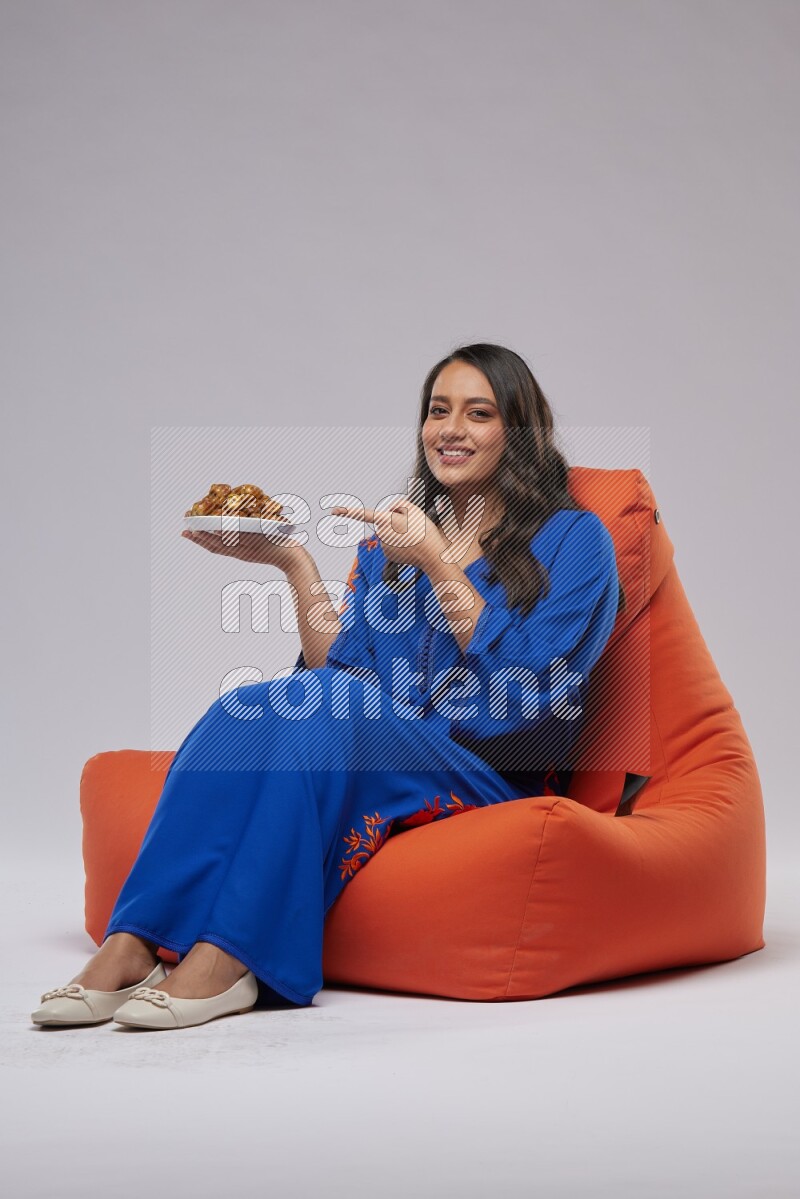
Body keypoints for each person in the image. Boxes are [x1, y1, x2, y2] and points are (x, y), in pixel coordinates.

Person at [31, 342, 621, 1030]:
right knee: (246, 706)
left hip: (488, 774)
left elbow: (531, 690)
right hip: (387, 749)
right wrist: (295, 563)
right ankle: (133, 942)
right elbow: (340, 676)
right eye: (438, 411)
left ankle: (232, 957)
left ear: (518, 431)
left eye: (478, 413)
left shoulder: (574, 539)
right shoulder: (391, 546)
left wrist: (437, 562)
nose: (450, 429)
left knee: (335, 706)